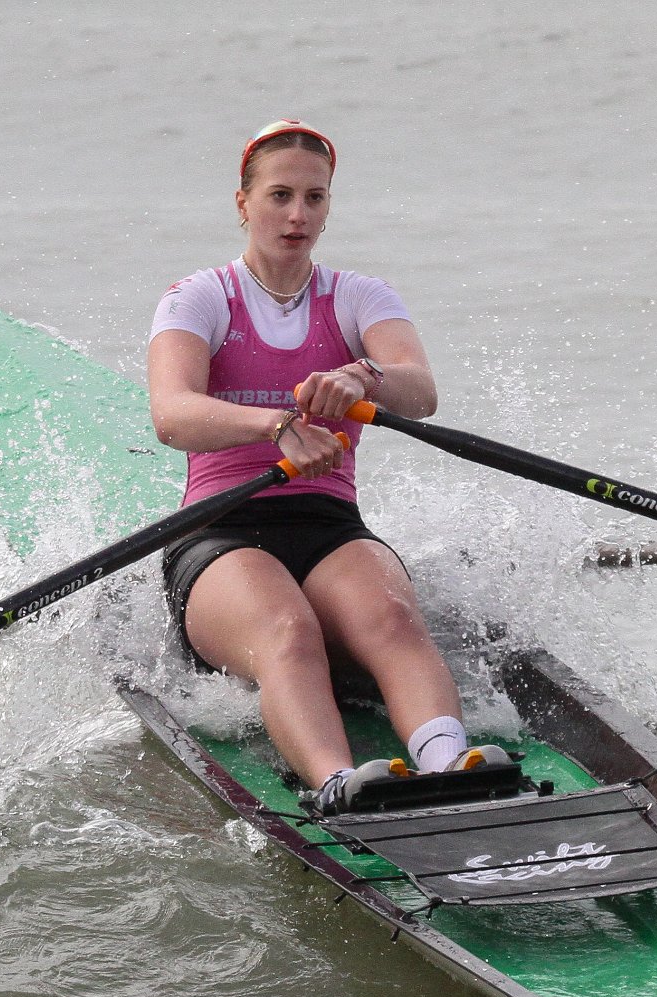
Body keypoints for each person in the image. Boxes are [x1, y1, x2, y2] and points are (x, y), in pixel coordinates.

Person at [148, 119, 507, 815]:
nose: (297, 215)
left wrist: (364, 376)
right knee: (288, 630)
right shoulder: (198, 298)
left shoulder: (358, 297)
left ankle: (446, 760)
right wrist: (276, 424)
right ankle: (337, 784)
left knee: (394, 619)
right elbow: (173, 415)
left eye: (315, 198)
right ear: (242, 203)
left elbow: (420, 391)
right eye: (279, 195)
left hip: (329, 524)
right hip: (219, 531)